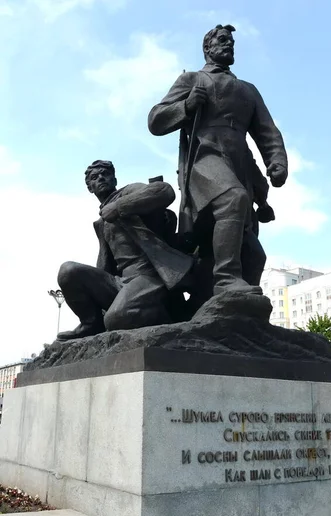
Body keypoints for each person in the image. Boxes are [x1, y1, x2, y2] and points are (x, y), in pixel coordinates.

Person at [148, 24, 288, 296]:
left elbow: (268, 131)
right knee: (233, 199)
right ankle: (226, 280)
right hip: (205, 157)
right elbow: (156, 120)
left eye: (232, 42)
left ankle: (234, 307)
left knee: (254, 254)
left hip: (240, 165)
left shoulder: (248, 90)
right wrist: (186, 106)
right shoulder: (192, 80)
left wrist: (278, 162)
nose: (229, 45)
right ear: (207, 48)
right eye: (223, 40)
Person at [56, 160, 193, 341]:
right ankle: (91, 324)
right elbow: (105, 264)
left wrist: (120, 207)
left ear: (114, 179)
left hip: (150, 276)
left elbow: (164, 191)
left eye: (106, 174)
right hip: (121, 282)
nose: (101, 179)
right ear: (90, 188)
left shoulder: (128, 193)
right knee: (68, 271)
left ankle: (172, 316)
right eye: (95, 178)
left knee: (116, 319)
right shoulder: (101, 221)